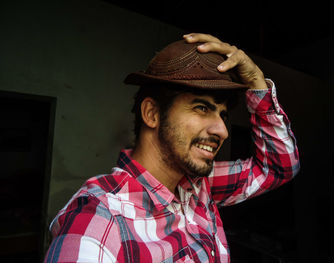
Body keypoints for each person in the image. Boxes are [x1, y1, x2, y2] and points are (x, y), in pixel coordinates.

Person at [44, 33, 300, 263]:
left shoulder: (200, 186)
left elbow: (279, 166)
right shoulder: (99, 222)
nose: (222, 130)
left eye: (222, 114)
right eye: (202, 108)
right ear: (152, 113)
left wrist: (257, 80)